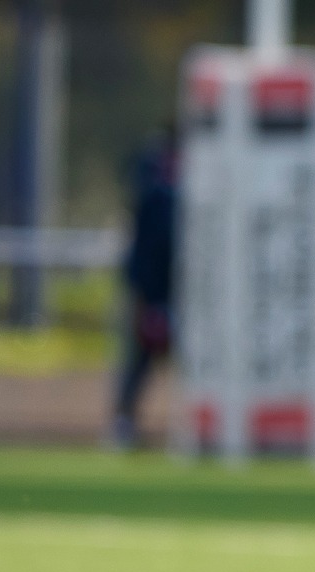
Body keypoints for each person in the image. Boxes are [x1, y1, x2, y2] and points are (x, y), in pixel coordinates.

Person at [110, 127, 177, 451]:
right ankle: (123, 421)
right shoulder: (157, 194)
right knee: (139, 358)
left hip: (175, 293)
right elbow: (145, 252)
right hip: (153, 292)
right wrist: (144, 297)